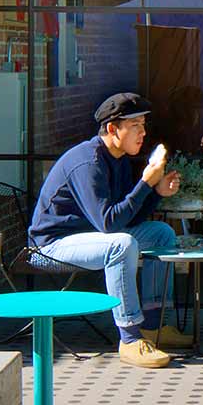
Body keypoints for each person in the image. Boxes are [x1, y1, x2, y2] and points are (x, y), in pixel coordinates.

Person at [28, 91, 190, 370]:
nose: (142, 133)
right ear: (113, 129)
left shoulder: (118, 159)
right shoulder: (88, 163)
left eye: (143, 125)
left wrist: (156, 192)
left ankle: (153, 327)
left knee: (162, 233)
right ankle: (129, 338)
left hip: (90, 237)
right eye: (135, 126)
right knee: (122, 244)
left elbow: (127, 217)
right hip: (51, 246)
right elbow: (109, 223)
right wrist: (145, 184)